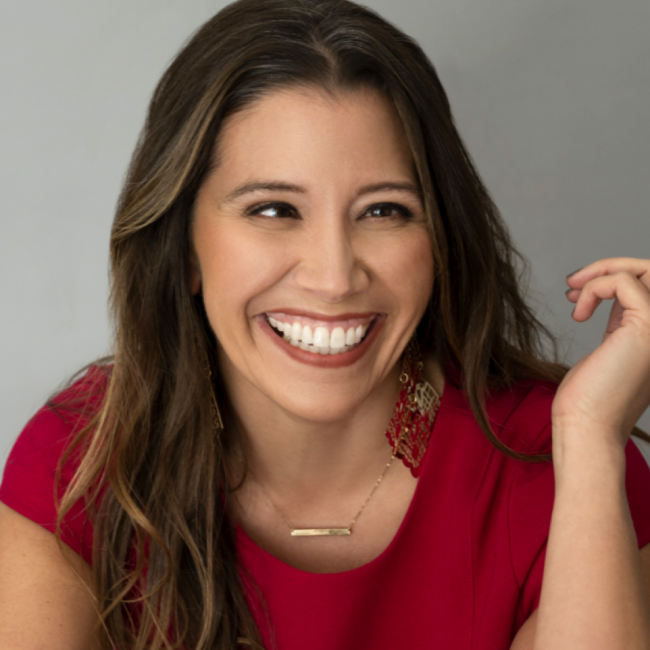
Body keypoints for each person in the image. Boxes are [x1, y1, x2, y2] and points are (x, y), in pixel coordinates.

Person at [1, 0, 650, 648]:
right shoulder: (80, 461)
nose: (335, 278)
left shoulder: (558, 465)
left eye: (384, 211)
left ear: (439, 240)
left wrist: (591, 436)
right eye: (275, 209)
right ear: (183, 248)